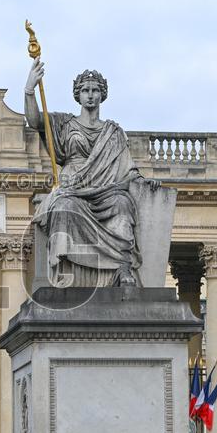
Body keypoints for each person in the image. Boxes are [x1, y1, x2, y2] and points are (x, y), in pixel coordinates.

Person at [24, 59, 159, 288]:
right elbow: (36, 120)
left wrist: (142, 181)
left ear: (102, 94)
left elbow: (126, 167)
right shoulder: (64, 123)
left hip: (106, 189)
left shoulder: (113, 132)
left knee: (122, 204)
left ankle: (122, 267)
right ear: (77, 95)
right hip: (73, 187)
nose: (90, 95)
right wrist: (29, 89)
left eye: (95, 90)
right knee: (64, 207)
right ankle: (66, 269)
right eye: (85, 90)